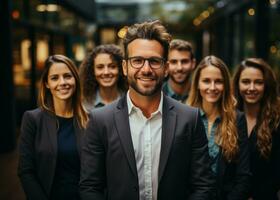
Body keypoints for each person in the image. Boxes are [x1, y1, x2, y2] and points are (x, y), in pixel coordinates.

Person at [80, 20, 215, 200]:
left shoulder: (190, 118)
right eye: (137, 61)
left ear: (166, 68)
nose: (146, 69)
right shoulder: (99, 120)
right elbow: (90, 187)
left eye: (154, 61)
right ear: (125, 67)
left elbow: (203, 185)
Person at [18, 55, 88, 200]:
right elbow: (26, 171)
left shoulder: (91, 120)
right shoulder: (32, 120)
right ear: (47, 84)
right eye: (55, 78)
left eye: (68, 76)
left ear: (75, 79)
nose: (62, 82)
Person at [186, 55, 251, 200]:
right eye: (206, 81)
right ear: (197, 83)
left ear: (226, 85)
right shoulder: (185, 116)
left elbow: (243, 176)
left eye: (219, 81)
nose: (212, 87)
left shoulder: (237, 119)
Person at [233, 58, 280, 200]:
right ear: (237, 84)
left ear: (267, 86)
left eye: (258, 82)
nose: (252, 88)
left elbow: (278, 177)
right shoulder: (228, 119)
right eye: (246, 82)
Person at [79, 44, 127, 111]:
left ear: (121, 69)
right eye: (100, 67)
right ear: (92, 71)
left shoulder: (130, 101)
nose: (106, 72)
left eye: (112, 66)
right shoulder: (84, 105)